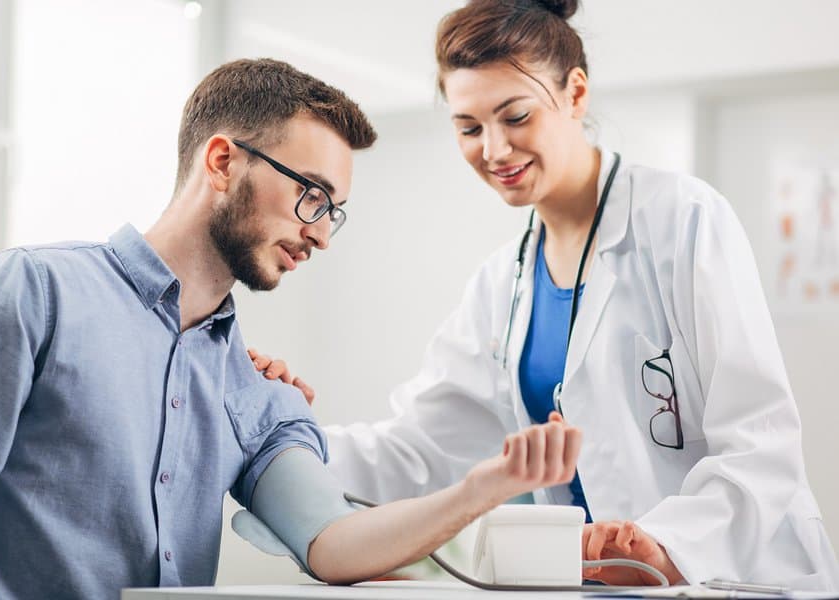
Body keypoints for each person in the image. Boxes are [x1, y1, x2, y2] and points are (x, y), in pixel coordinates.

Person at [0, 58, 584, 600]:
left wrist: (483, 489)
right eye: (311, 195)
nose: (322, 233)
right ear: (222, 161)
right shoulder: (37, 292)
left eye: (335, 211)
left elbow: (333, 544)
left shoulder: (254, 390)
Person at [252, 0, 839, 591]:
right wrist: (272, 429)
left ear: (576, 94)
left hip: (743, 576)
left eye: (515, 116)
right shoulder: (500, 284)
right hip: (598, 581)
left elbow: (760, 441)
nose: (494, 150)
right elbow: (418, 449)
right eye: (469, 127)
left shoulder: (681, 221)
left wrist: (669, 545)